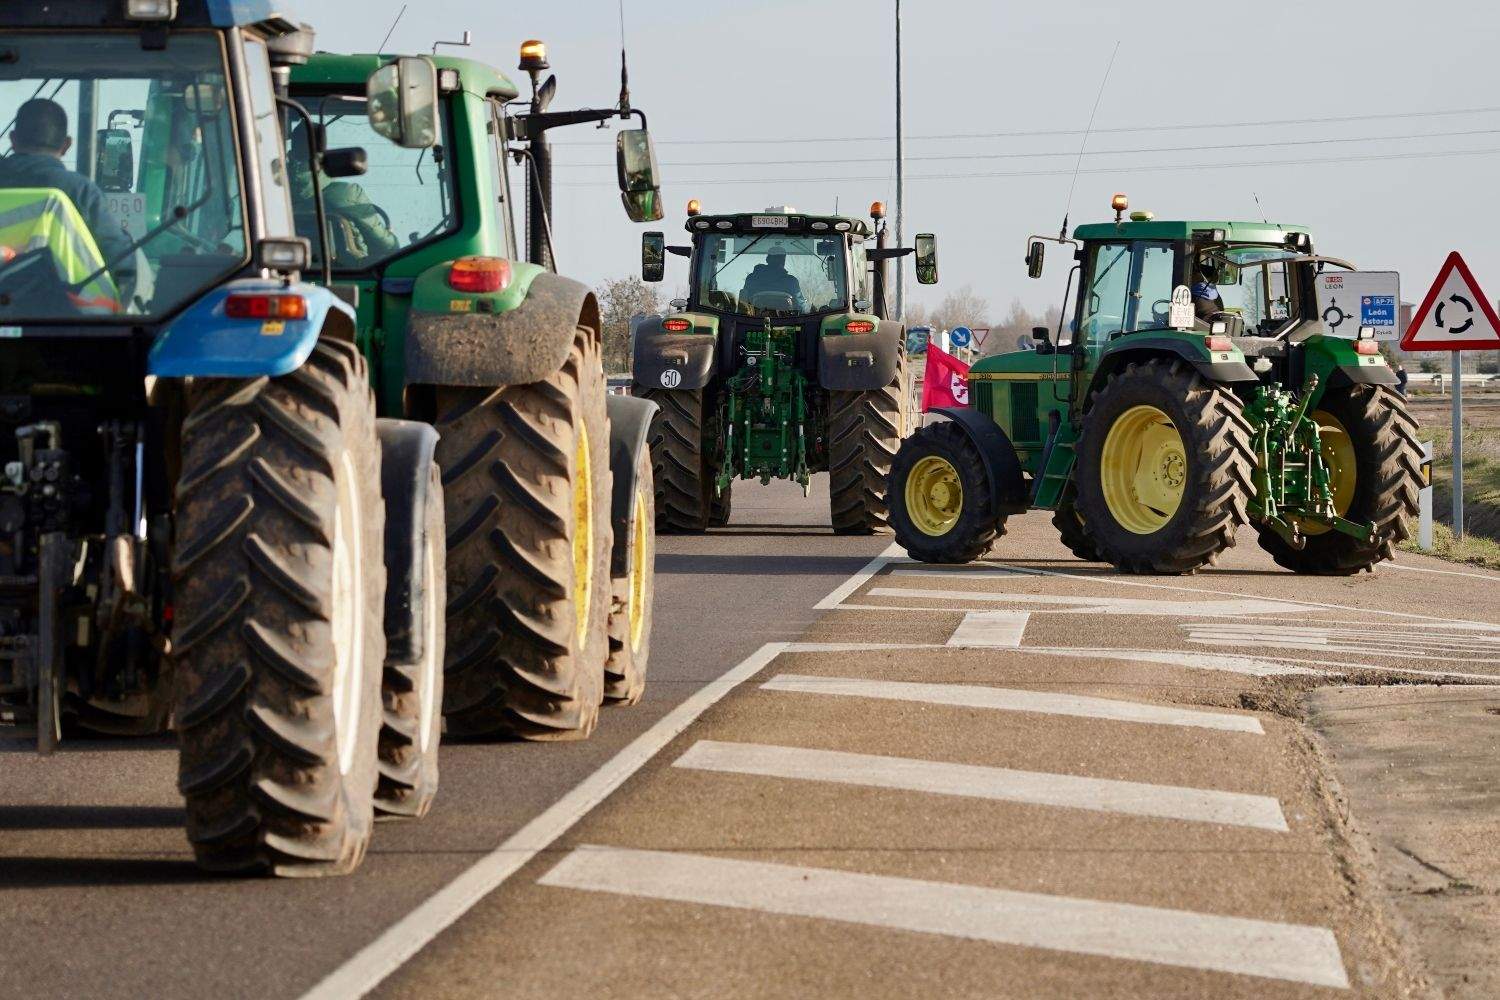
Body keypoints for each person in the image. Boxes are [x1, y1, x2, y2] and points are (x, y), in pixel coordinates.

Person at [0, 98, 133, 270]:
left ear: (12, 139)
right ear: (66, 145)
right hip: (67, 296)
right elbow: (121, 261)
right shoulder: (81, 192)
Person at [739, 252, 804, 312]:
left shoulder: (752, 279)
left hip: (751, 322)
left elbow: (743, 305)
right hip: (788, 322)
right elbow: (800, 306)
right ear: (783, 262)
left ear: (767, 259)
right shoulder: (791, 281)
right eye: (781, 259)